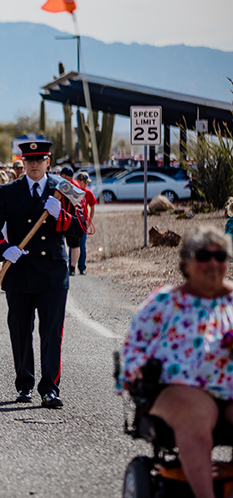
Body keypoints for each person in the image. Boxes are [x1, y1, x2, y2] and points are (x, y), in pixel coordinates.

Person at [120, 226, 233, 498]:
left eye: (221, 257)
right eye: (204, 256)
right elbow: (133, 347)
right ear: (186, 263)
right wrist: (137, 372)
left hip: (229, 386)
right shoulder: (164, 301)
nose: (213, 263)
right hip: (179, 386)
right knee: (195, 416)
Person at [0, 140, 85, 409]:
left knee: (51, 333)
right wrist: (4, 249)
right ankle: (24, 385)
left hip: (51, 272)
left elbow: (81, 230)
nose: (35, 164)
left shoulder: (65, 189)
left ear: (48, 162)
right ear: (23, 163)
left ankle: (49, 388)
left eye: (40, 159)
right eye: (30, 160)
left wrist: (61, 217)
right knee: (20, 331)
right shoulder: (8, 191)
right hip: (20, 272)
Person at [73, 172, 97, 275]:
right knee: (73, 245)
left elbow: (92, 207)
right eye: (84, 182)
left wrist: (89, 220)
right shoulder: (73, 192)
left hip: (84, 222)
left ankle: (82, 267)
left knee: (82, 245)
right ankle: (72, 267)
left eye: (87, 182)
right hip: (74, 221)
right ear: (78, 181)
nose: (86, 184)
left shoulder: (88, 193)